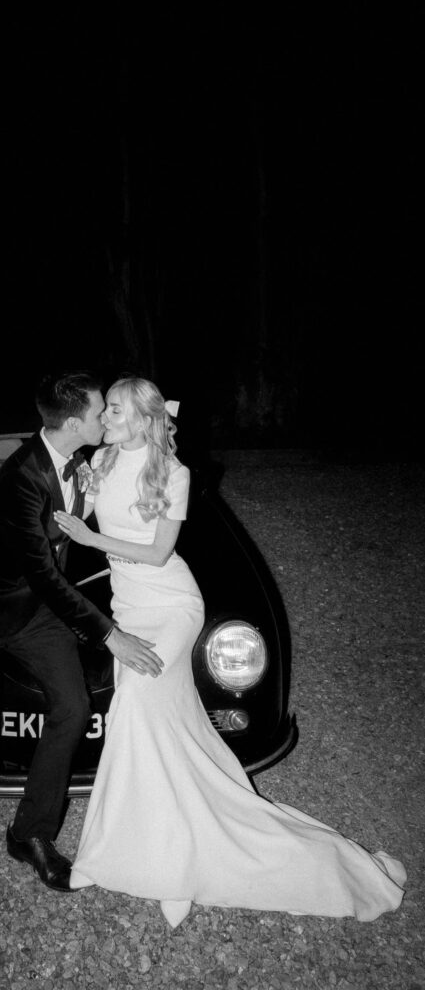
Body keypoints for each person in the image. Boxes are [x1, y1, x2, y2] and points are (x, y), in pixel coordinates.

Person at [55, 375, 407, 928]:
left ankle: (175, 867)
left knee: (135, 707)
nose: (105, 420)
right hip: (128, 609)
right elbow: (65, 499)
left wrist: (90, 539)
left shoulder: (174, 472)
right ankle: (113, 853)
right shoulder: (100, 460)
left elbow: (156, 552)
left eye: (116, 411)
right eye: (107, 413)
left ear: (145, 418)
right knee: (152, 725)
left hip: (171, 605)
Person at [0, 370, 164, 975]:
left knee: (74, 707)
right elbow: (48, 576)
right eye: (98, 413)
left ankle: (29, 832)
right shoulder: (19, 482)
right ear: (71, 424)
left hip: (35, 614)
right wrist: (112, 634)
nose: (105, 419)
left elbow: (145, 445)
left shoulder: (78, 457)